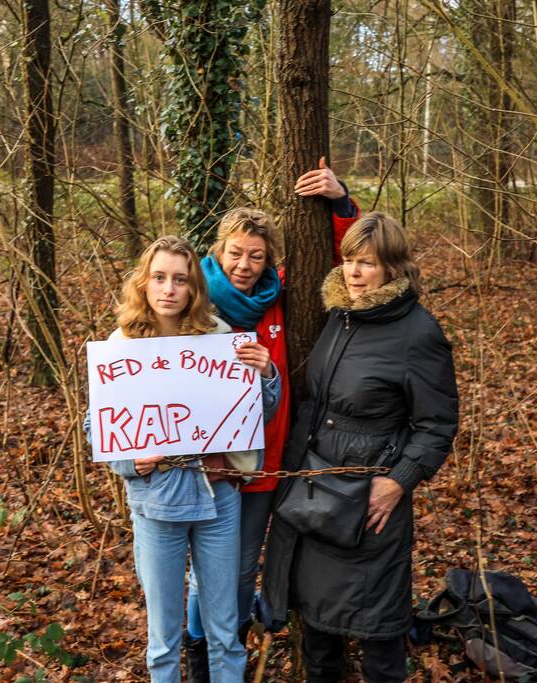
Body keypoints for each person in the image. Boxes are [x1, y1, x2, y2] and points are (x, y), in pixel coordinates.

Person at [181, 159, 360, 680]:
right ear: (218, 250)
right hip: (201, 463)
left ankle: (224, 653)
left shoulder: (276, 298)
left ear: (268, 260)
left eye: (256, 256)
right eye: (235, 252)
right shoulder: (192, 299)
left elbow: (339, 265)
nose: (244, 265)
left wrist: (341, 203)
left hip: (260, 461)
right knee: (201, 575)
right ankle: (197, 653)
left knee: (238, 573)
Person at [263, 212, 459, 683]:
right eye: (349, 260)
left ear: (392, 268)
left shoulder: (417, 332)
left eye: (367, 263)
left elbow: (437, 423)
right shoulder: (341, 315)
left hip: (370, 499)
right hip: (314, 490)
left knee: (378, 627)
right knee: (316, 624)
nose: (353, 272)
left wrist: (398, 481)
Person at [84, 235, 282, 683]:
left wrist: (266, 374)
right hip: (157, 504)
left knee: (225, 632)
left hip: (218, 498)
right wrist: (132, 463)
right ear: (144, 283)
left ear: (193, 287)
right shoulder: (121, 346)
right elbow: (97, 426)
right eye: (159, 278)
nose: (169, 288)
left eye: (179, 279)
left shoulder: (220, 338)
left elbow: (257, 413)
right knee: (162, 639)